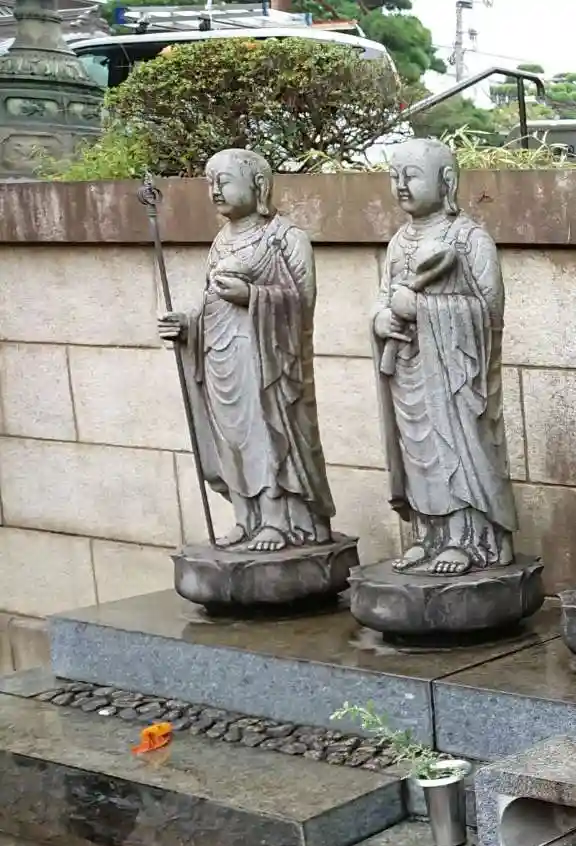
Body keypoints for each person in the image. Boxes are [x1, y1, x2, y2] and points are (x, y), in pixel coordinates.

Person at [158, 148, 334, 552]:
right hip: (219, 355)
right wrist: (185, 325)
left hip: (267, 360)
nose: (215, 190)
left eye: (224, 181)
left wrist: (252, 296)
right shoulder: (221, 241)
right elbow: (209, 304)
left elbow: (302, 304)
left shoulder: (285, 238)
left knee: (265, 434)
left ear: (258, 185)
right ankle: (246, 517)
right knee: (231, 439)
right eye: (210, 182)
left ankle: (278, 520)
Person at [371, 138, 518, 576]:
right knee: (418, 452)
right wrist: (382, 320)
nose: (401, 184)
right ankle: (430, 534)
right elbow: (384, 298)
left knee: (456, 448)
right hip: (410, 369)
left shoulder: (470, 239)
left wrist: (424, 309)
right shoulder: (398, 243)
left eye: (412, 175)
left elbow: (490, 315)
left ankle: (469, 538)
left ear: (447, 181)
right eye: (394, 176)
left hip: (457, 379)